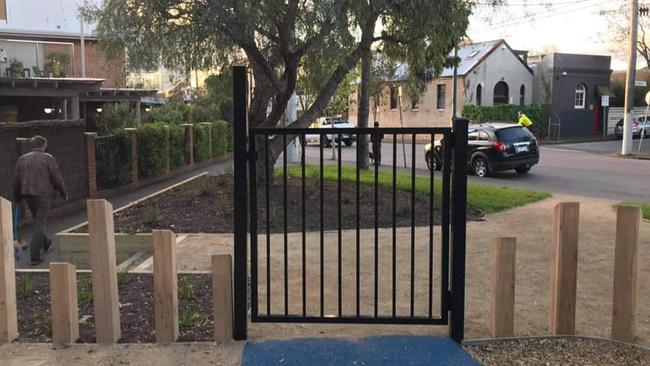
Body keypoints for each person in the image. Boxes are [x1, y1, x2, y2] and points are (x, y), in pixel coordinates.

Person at [13, 136, 68, 265]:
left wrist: (17, 197)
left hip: (28, 195)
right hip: (44, 195)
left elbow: (16, 180)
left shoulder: (22, 159)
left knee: (38, 220)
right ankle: (35, 256)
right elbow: (57, 178)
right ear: (44, 145)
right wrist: (63, 193)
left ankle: (46, 243)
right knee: (40, 223)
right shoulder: (48, 158)